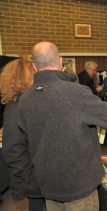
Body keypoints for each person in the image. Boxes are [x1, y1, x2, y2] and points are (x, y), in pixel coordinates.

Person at [17, 42, 107, 211]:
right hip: (79, 186)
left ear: (34, 66)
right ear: (60, 61)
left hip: (48, 183)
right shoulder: (75, 92)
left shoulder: (25, 99)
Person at [0, 59, 45, 211]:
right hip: (34, 180)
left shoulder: (25, 103)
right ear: (24, 78)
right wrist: (31, 180)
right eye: (34, 73)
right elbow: (12, 150)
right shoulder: (16, 108)